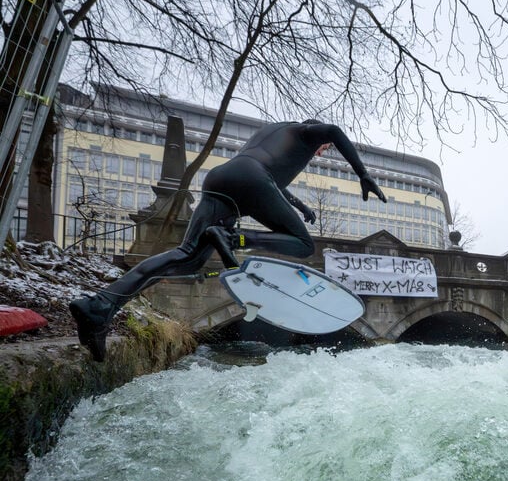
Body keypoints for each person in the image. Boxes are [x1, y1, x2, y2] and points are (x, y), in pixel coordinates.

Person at [70, 119, 387, 361]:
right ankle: (234, 238)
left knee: (187, 256)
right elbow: (333, 130)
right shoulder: (307, 133)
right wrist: (362, 173)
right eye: (324, 148)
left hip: (222, 179)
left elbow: (266, 175)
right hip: (251, 183)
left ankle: (100, 306)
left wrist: (300, 205)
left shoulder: (271, 133)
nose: (322, 151)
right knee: (303, 245)